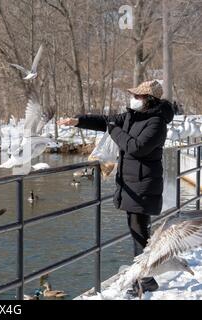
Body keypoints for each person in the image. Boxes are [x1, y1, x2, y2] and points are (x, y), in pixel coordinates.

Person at [58, 80, 175, 295]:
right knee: (138, 231)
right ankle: (145, 276)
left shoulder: (157, 123)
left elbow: (136, 147)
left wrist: (114, 130)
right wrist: (77, 121)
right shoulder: (133, 115)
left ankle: (145, 279)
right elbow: (106, 121)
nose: (134, 99)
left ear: (149, 100)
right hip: (132, 182)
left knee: (140, 232)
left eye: (138, 96)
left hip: (143, 184)